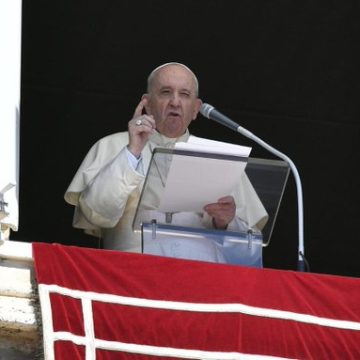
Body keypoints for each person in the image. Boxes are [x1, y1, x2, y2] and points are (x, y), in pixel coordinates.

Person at [65, 62, 268, 257]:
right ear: (147, 103)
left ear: (196, 108)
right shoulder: (111, 145)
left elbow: (251, 252)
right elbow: (96, 213)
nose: (175, 102)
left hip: (202, 282)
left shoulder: (220, 156)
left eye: (185, 95)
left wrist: (226, 223)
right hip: (132, 277)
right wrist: (132, 151)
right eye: (165, 92)